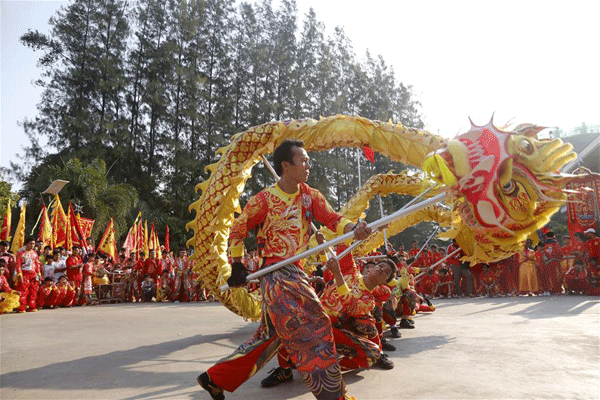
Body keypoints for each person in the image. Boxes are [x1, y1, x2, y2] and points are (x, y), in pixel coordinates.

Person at [197, 139, 370, 400]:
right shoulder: (264, 200)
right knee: (316, 323)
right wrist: (237, 264)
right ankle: (334, 396)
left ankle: (215, 378)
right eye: (303, 161)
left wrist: (352, 228)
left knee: (270, 336)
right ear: (286, 166)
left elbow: (332, 219)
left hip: (295, 270)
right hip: (276, 273)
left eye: (308, 160)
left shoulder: (310, 196)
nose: (308, 165)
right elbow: (237, 230)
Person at [15, 237, 41, 312]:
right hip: (24, 273)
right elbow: (18, 264)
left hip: (33, 273)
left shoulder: (34, 253)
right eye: (31, 243)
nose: (32, 245)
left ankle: (31, 306)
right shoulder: (20, 253)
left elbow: (36, 264)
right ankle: (21, 307)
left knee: (33, 290)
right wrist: (19, 274)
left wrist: (38, 273)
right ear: (26, 244)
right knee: (23, 291)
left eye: (33, 244)